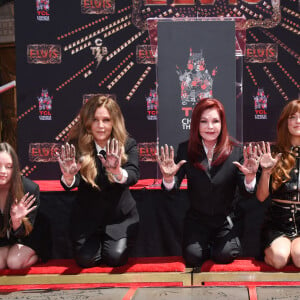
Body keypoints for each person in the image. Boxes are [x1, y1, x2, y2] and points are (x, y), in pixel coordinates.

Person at [157, 98, 259, 267]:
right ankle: (205, 246)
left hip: (226, 221)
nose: (210, 127)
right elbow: (171, 190)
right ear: (196, 124)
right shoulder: (185, 149)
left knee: (224, 255)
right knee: (193, 257)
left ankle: (217, 247)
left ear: (222, 124)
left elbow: (247, 192)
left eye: (215, 121)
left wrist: (249, 178)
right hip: (197, 221)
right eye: (204, 121)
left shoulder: (237, 151)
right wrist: (168, 179)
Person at [57, 95, 139, 268]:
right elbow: (71, 182)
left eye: (106, 120)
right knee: (86, 261)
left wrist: (117, 171)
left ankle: (113, 245)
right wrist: (69, 176)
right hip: (86, 221)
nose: (100, 126)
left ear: (114, 122)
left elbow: (133, 175)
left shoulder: (128, 144)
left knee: (115, 258)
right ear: (87, 122)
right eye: (95, 120)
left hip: (119, 219)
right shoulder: (76, 145)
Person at [256, 99, 300, 269]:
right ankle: (283, 252)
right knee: (280, 259)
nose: (298, 121)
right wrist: (266, 171)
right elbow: (261, 197)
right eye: (293, 117)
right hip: (278, 223)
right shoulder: (274, 154)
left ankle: (294, 253)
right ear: (285, 122)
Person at [0, 142, 40, 269]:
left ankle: (35, 257)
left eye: (8, 166)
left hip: (26, 239)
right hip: (3, 240)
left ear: (15, 167)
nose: (3, 171)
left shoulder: (29, 189)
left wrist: (16, 220)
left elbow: (25, 233)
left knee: (14, 263)